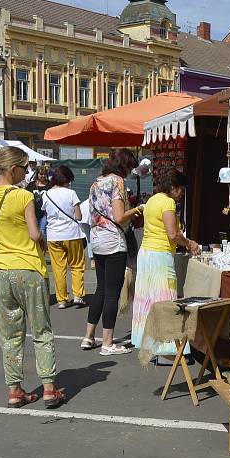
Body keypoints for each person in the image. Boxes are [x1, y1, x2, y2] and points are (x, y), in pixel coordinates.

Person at [0, 146, 64, 408]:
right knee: (41, 331)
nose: (27, 173)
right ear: (13, 169)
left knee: (10, 335)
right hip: (29, 269)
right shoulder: (23, 197)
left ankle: (14, 390)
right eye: (25, 168)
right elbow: (35, 234)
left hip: (1, 272)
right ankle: (49, 388)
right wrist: (45, 243)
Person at [132, 169, 200, 358]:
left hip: (146, 253)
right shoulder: (168, 202)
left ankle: (149, 340)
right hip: (160, 255)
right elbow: (173, 234)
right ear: (173, 187)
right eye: (180, 190)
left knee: (148, 299)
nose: (181, 194)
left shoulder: (153, 200)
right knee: (165, 299)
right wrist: (189, 243)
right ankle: (167, 344)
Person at [83, 149, 141, 355]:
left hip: (97, 240)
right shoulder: (117, 183)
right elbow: (119, 216)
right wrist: (136, 209)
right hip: (113, 241)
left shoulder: (95, 183)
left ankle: (88, 336)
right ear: (124, 165)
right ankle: (107, 343)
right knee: (112, 293)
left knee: (101, 289)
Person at [42, 165, 86, 309]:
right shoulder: (71, 193)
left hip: (53, 235)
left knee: (58, 268)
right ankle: (78, 295)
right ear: (67, 179)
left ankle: (62, 299)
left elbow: (46, 214)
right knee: (77, 265)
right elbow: (78, 216)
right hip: (72, 234)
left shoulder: (46, 194)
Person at [27, 166, 50, 240]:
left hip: (44, 213)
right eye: (41, 174)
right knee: (34, 231)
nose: (43, 176)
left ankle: (43, 249)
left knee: (43, 231)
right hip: (33, 212)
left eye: (44, 174)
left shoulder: (50, 185)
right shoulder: (31, 185)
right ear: (37, 174)